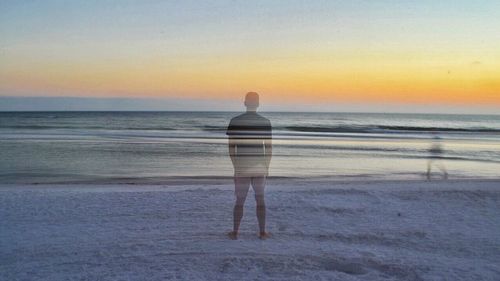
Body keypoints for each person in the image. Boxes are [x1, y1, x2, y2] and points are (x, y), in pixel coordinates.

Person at [226, 92, 272, 240]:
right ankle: (262, 232)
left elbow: (232, 148)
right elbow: (269, 148)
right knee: (260, 199)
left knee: (240, 200)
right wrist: (267, 167)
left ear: (245, 103)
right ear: (258, 104)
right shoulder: (265, 121)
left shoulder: (235, 121)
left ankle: (235, 232)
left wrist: (236, 167)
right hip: (259, 166)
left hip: (242, 166)